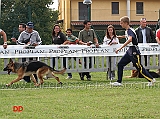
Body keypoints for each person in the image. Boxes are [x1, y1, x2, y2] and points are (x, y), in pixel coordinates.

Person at [110, 16, 156, 86]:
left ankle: (151, 79)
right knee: (120, 64)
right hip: (130, 51)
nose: (120, 24)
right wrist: (120, 37)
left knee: (139, 67)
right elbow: (128, 36)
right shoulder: (128, 30)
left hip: (134, 51)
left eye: (121, 23)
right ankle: (119, 82)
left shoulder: (130, 31)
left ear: (126, 23)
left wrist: (120, 48)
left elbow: (130, 39)